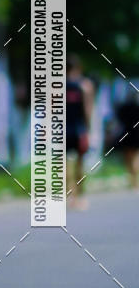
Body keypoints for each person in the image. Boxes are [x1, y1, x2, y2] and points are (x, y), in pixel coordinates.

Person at [66, 55, 94, 210]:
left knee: (63, 165)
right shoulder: (85, 85)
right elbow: (87, 110)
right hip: (79, 129)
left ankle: (69, 197)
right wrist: (89, 129)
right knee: (79, 165)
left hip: (63, 130)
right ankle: (80, 197)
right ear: (78, 68)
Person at [115, 91, 139, 190]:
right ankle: (135, 181)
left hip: (127, 133)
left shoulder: (123, 108)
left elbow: (119, 119)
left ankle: (133, 180)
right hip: (136, 134)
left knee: (128, 158)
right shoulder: (137, 108)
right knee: (135, 157)